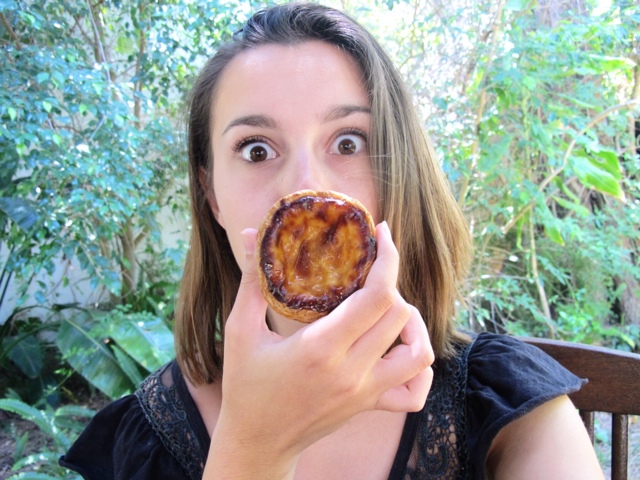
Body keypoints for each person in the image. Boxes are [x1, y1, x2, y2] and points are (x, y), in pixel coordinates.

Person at [59, 3, 604, 479]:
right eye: (255, 149)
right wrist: (254, 447)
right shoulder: (146, 438)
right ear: (212, 196)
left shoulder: (510, 408)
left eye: (348, 142)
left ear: (401, 170)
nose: (305, 188)